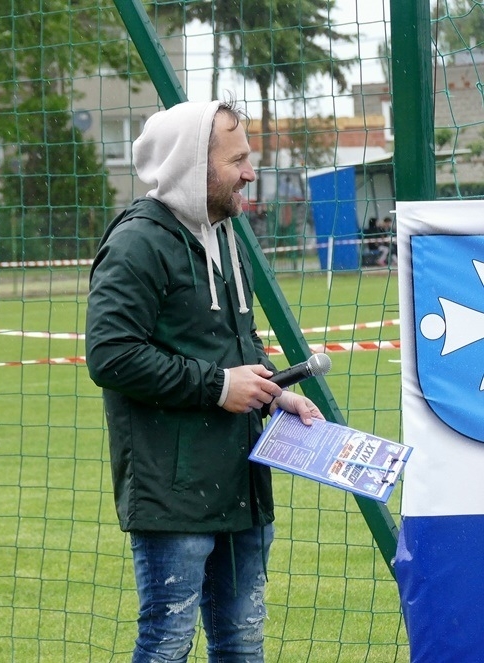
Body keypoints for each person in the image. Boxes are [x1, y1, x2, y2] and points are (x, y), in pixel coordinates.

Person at [84, 99, 323, 663]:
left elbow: (233, 340)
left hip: (241, 484)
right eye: (236, 160)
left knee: (242, 643)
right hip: (173, 492)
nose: (250, 172)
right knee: (168, 644)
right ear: (192, 164)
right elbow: (110, 355)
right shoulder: (138, 242)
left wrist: (273, 392)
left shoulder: (227, 234)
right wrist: (217, 386)